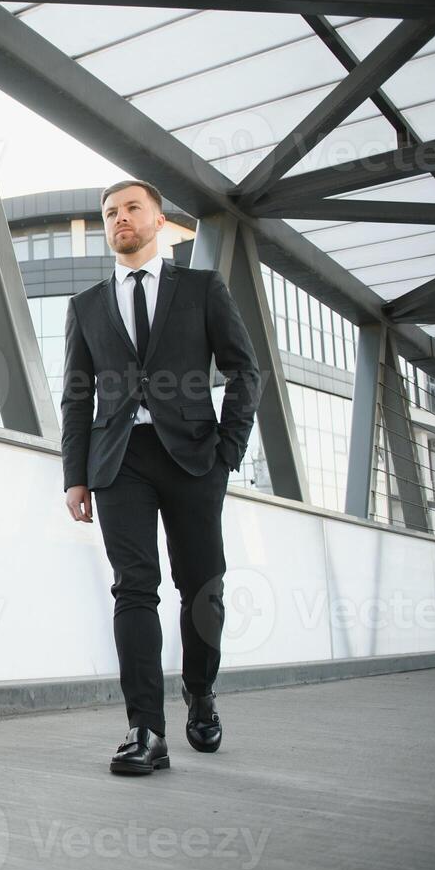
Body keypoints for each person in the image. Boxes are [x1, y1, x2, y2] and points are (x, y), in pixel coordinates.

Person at [60, 180, 261, 775]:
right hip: (119, 462)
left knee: (202, 586)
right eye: (109, 213)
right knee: (134, 587)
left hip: (196, 458)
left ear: (159, 220)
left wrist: (229, 449)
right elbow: (76, 397)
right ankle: (145, 729)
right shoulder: (87, 306)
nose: (119, 219)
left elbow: (244, 371)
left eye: (130, 209)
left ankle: (200, 690)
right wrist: (75, 476)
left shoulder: (201, 289)